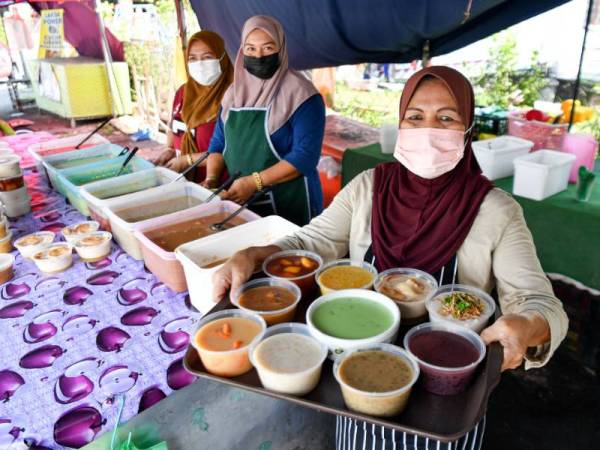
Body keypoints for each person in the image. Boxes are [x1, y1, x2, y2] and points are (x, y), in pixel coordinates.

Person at [211, 66, 568, 449]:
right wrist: (254, 254)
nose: (428, 129)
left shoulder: (496, 210)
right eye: (415, 117)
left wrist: (526, 326)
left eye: (446, 118)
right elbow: (313, 242)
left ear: (467, 129)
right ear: (400, 124)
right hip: (358, 378)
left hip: (445, 396)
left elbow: (540, 302)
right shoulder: (368, 187)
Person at [205, 15, 325, 226]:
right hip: (241, 200)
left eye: (268, 48)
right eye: (251, 49)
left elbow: (305, 157)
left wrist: (255, 182)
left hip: (291, 202)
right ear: (242, 51)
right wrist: (212, 180)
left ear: (281, 48)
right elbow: (217, 144)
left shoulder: (302, 94)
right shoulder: (233, 94)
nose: (259, 56)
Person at [154, 30, 233, 182]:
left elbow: (231, 151)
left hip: (218, 184)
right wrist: (169, 149)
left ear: (222, 58)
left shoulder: (234, 96)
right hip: (183, 181)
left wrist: (186, 160)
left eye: (207, 57)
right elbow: (174, 126)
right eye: (193, 59)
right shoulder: (183, 92)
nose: (200, 64)